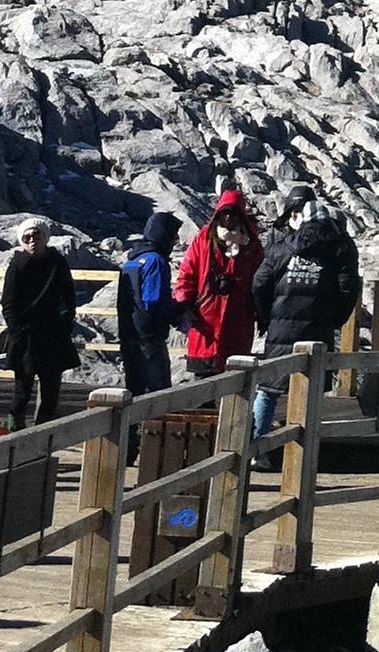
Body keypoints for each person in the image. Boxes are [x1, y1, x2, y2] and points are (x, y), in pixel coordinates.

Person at [250, 197, 362, 457]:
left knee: (269, 390)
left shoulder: (281, 247)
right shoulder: (341, 247)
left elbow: (259, 284)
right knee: (310, 393)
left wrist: (268, 316)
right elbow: (349, 289)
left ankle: (257, 450)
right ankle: (303, 452)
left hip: (280, 328)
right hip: (318, 329)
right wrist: (336, 319)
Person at [176, 186, 264, 375]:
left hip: (237, 320)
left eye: (233, 215)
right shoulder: (204, 241)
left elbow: (261, 280)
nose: (228, 220)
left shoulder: (251, 246)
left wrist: (259, 309)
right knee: (202, 387)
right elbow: (187, 274)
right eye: (225, 215)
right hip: (205, 322)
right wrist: (184, 304)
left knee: (234, 386)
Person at [1, 220, 78, 428]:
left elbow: (69, 297)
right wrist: (17, 331)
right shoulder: (17, 266)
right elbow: (8, 303)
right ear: (21, 241)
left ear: (45, 237)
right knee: (21, 393)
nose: (33, 241)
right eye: (27, 238)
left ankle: (43, 440)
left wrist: (65, 323)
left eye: (37, 236)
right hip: (26, 337)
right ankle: (14, 435)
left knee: (51, 394)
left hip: (53, 336)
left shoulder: (58, 263)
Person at [117, 212, 180, 398]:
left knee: (133, 391)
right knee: (158, 394)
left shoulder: (132, 260)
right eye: (173, 234)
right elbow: (153, 300)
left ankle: (130, 428)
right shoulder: (156, 261)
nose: (176, 240)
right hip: (149, 336)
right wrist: (175, 312)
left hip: (128, 334)